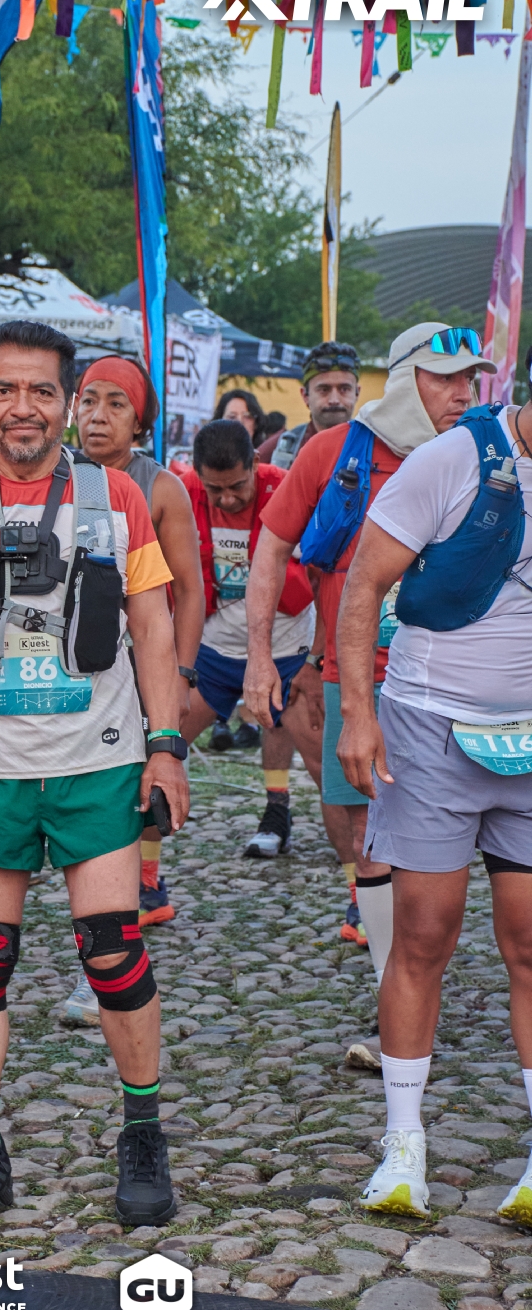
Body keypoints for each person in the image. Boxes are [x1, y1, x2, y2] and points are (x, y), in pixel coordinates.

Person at [0, 319, 189, 1228]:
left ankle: (142, 1132)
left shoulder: (116, 495)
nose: (22, 408)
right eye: (4, 390)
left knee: (112, 948)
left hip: (96, 759)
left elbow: (152, 625)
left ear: (67, 403)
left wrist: (168, 745)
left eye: (40, 391)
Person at [331, 331, 532, 1221]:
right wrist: (359, 714)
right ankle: (404, 1146)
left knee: (531, 944)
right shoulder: (452, 461)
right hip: (431, 727)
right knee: (422, 933)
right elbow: (363, 589)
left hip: (530, 746)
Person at [245, 323, 481, 987]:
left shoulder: (479, 452)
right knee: (362, 831)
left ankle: (415, 968)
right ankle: (391, 983)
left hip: (449, 682)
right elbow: (271, 548)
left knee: (446, 839)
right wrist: (259, 656)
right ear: (405, 379)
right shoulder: (332, 451)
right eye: (446, 377)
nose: (464, 392)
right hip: (355, 677)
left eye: (470, 378)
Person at [61, 354, 204, 1024]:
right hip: (65, 680)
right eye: (88, 400)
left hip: (137, 672)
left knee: (117, 815)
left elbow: (190, 591)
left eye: (115, 403)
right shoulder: (48, 476)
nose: (97, 416)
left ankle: (100, 971)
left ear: (140, 419)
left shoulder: (160, 487)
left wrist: (181, 673)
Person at [180, 419, 324, 859]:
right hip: (214, 650)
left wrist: (317, 658)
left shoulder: (289, 488)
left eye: (237, 486)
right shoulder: (181, 492)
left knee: (324, 764)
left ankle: (286, 817)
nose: (226, 499)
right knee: (161, 745)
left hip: (288, 647)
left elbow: (328, 576)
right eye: (214, 489)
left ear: (256, 463)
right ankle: (143, 879)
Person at [258, 342, 361, 468]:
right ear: (305, 395)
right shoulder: (277, 452)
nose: (334, 400)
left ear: (357, 393)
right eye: (324, 390)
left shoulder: (374, 447)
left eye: (344, 389)